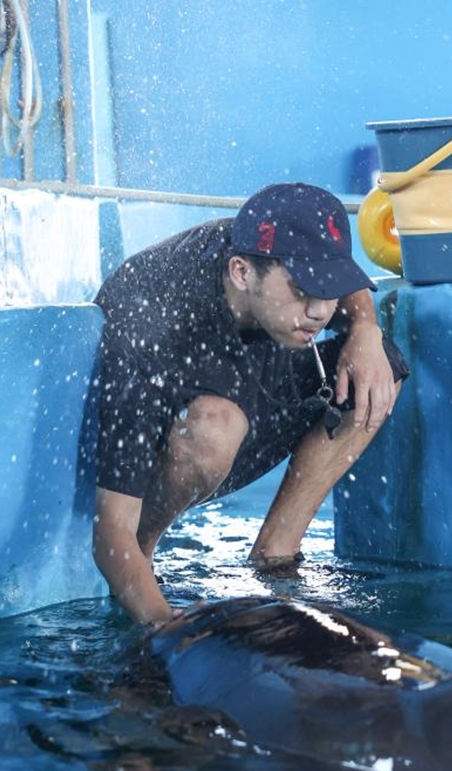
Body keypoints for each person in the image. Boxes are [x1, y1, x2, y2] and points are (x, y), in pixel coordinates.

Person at [91, 181, 408, 626]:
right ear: (242, 273)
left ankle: (276, 557)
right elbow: (110, 531)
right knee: (215, 429)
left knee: (377, 372)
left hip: (258, 382)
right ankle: (148, 559)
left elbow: (342, 280)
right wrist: (165, 629)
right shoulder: (147, 325)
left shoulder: (284, 279)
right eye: (303, 289)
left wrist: (365, 332)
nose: (320, 310)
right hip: (185, 439)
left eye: (329, 289)